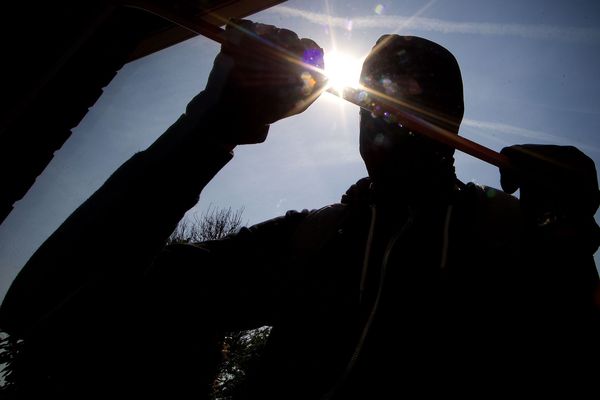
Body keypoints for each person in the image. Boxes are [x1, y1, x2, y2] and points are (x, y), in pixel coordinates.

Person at [1, 19, 599, 399]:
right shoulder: (311, 240)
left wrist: (568, 253)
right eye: (371, 92)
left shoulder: (507, 231)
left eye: (413, 90)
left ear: (456, 118)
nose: (382, 107)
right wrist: (210, 129)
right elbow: (42, 311)